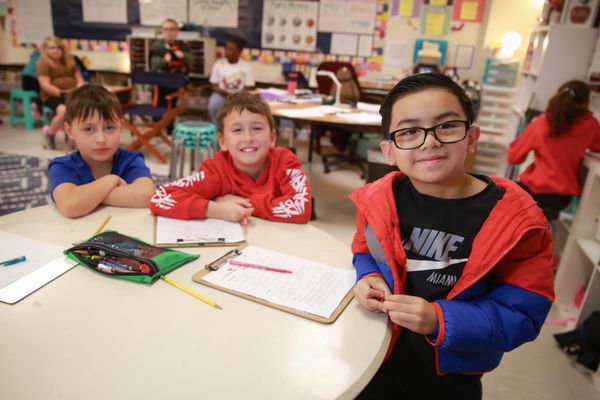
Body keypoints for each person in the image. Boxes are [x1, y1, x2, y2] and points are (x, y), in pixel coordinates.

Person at [350, 73, 555, 399]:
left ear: (471, 137)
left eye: (446, 126)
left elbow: (524, 314)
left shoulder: (517, 222)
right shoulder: (378, 200)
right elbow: (365, 248)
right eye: (410, 131)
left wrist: (440, 320)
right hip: (374, 354)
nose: (430, 141)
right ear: (389, 151)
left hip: (450, 375)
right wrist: (368, 275)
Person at [150, 91, 311, 224]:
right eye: (237, 130)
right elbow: (160, 197)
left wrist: (243, 203)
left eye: (256, 128)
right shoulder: (216, 170)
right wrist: (215, 208)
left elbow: (301, 209)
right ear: (223, 141)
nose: (248, 137)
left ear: (272, 138)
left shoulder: (285, 162)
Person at [48, 84, 156, 218]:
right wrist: (112, 180)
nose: (101, 139)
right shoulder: (62, 166)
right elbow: (70, 205)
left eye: (109, 127)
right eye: (88, 129)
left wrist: (87, 198)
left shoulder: (130, 160)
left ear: (120, 127)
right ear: (70, 131)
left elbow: (147, 195)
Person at [508, 80, 600, 222]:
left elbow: (514, 157)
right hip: (561, 199)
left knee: (501, 199)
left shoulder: (543, 122)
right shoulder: (591, 125)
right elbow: (597, 147)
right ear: (586, 103)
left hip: (534, 193)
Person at [37, 36, 85, 149]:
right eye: (52, 48)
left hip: (73, 93)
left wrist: (78, 88)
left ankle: (78, 138)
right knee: (64, 111)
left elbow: (80, 79)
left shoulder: (69, 61)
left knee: (85, 109)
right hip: (53, 95)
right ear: (46, 50)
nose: (56, 50)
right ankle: (50, 134)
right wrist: (63, 93)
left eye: (59, 47)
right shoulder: (43, 63)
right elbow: (45, 85)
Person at [208, 37, 255, 124]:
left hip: (240, 95)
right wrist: (225, 93)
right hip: (221, 94)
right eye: (226, 48)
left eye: (230, 49)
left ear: (238, 52)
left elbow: (249, 86)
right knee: (213, 105)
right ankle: (217, 126)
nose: (226, 51)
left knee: (239, 113)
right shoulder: (219, 64)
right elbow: (213, 85)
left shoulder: (246, 66)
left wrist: (237, 95)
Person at [21, 47, 42, 119]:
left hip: (25, 75)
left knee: (32, 92)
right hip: (33, 76)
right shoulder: (44, 56)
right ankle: (35, 105)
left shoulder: (36, 53)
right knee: (43, 92)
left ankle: (33, 105)